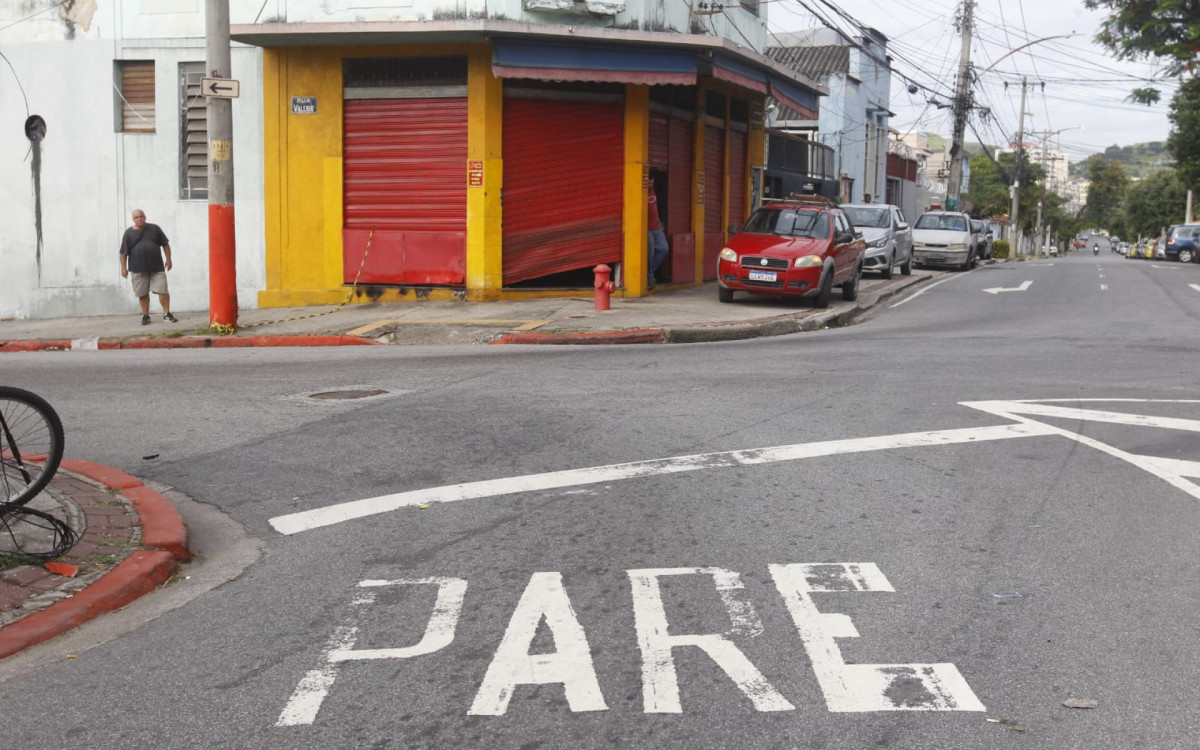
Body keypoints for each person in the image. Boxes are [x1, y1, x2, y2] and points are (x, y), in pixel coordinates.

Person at [119, 209, 176, 325]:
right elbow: (123, 253)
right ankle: (146, 315)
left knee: (163, 290)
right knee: (142, 293)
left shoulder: (155, 229)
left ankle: (166, 313)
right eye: (136, 217)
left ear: (145, 217)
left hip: (157, 266)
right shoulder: (128, 233)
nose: (139, 219)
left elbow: (165, 244)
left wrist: (168, 260)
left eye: (141, 216)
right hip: (137, 268)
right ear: (133, 219)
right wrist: (123, 268)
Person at [647, 177, 668, 288]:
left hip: (657, 227)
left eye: (652, 182)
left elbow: (654, 207)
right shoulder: (641, 192)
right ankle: (649, 276)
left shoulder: (652, 191)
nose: (651, 184)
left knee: (664, 249)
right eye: (649, 182)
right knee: (650, 253)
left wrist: (659, 221)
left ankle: (650, 271)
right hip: (647, 229)